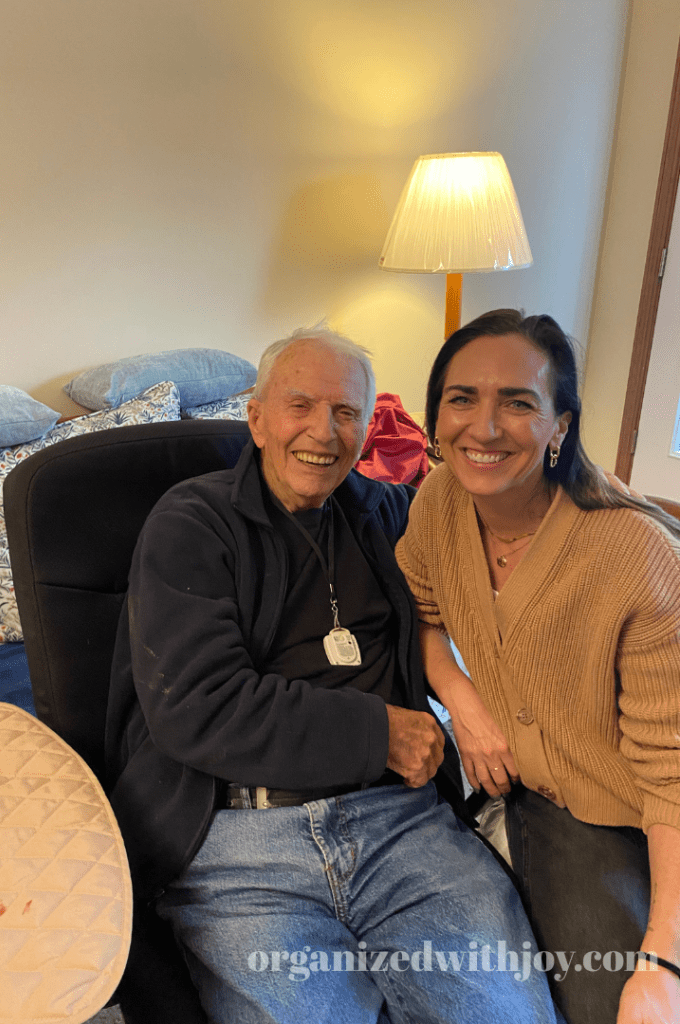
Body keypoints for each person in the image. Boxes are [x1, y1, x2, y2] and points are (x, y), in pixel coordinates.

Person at [105, 326, 558, 1024]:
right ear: (257, 419)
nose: (323, 431)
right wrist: (380, 732)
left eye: (346, 412)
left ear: (367, 428)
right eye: (300, 406)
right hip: (242, 840)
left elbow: (496, 557)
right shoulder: (192, 521)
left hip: (402, 826)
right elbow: (197, 704)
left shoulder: (390, 514)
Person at [396, 309, 680, 1024]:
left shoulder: (634, 554)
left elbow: (671, 772)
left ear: (560, 426)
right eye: (462, 399)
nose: (484, 427)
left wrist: (662, 960)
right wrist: (462, 700)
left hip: (635, 810)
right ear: (436, 418)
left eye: (518, 403)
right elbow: (420, 614)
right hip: (540, 802)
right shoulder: (437, 502)